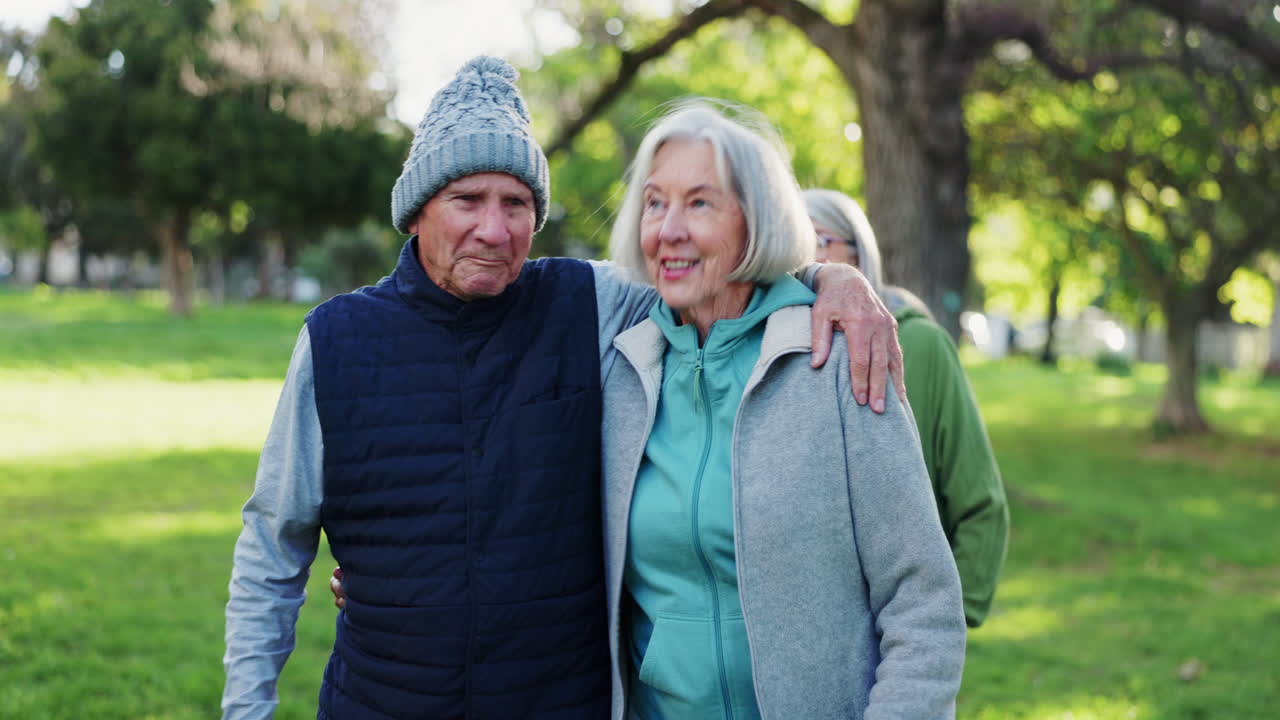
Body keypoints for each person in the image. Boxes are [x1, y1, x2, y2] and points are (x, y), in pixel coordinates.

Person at [221, 57, 900, 720]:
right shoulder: (336, 340)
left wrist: (832, 280)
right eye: (468, 200)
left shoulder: (591, 303)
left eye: (515, 204)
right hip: (381, 700)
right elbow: (272, 546)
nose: (494, 229)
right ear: (417, 211)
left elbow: (713, 263)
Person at [600, 101, 965, 719]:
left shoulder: (838, 360)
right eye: (656, 202)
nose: (668, 229)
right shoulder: (621, 370)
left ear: (756, 219)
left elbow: (922, 603)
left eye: (700, 203)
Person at [805, 187, 1010, 628]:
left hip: (900, 632)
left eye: (820, 241)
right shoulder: (774, 355)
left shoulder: (922, 345)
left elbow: (980, 505)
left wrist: (949, 619)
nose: (804, 259)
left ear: (858, 258)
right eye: (793, 242)